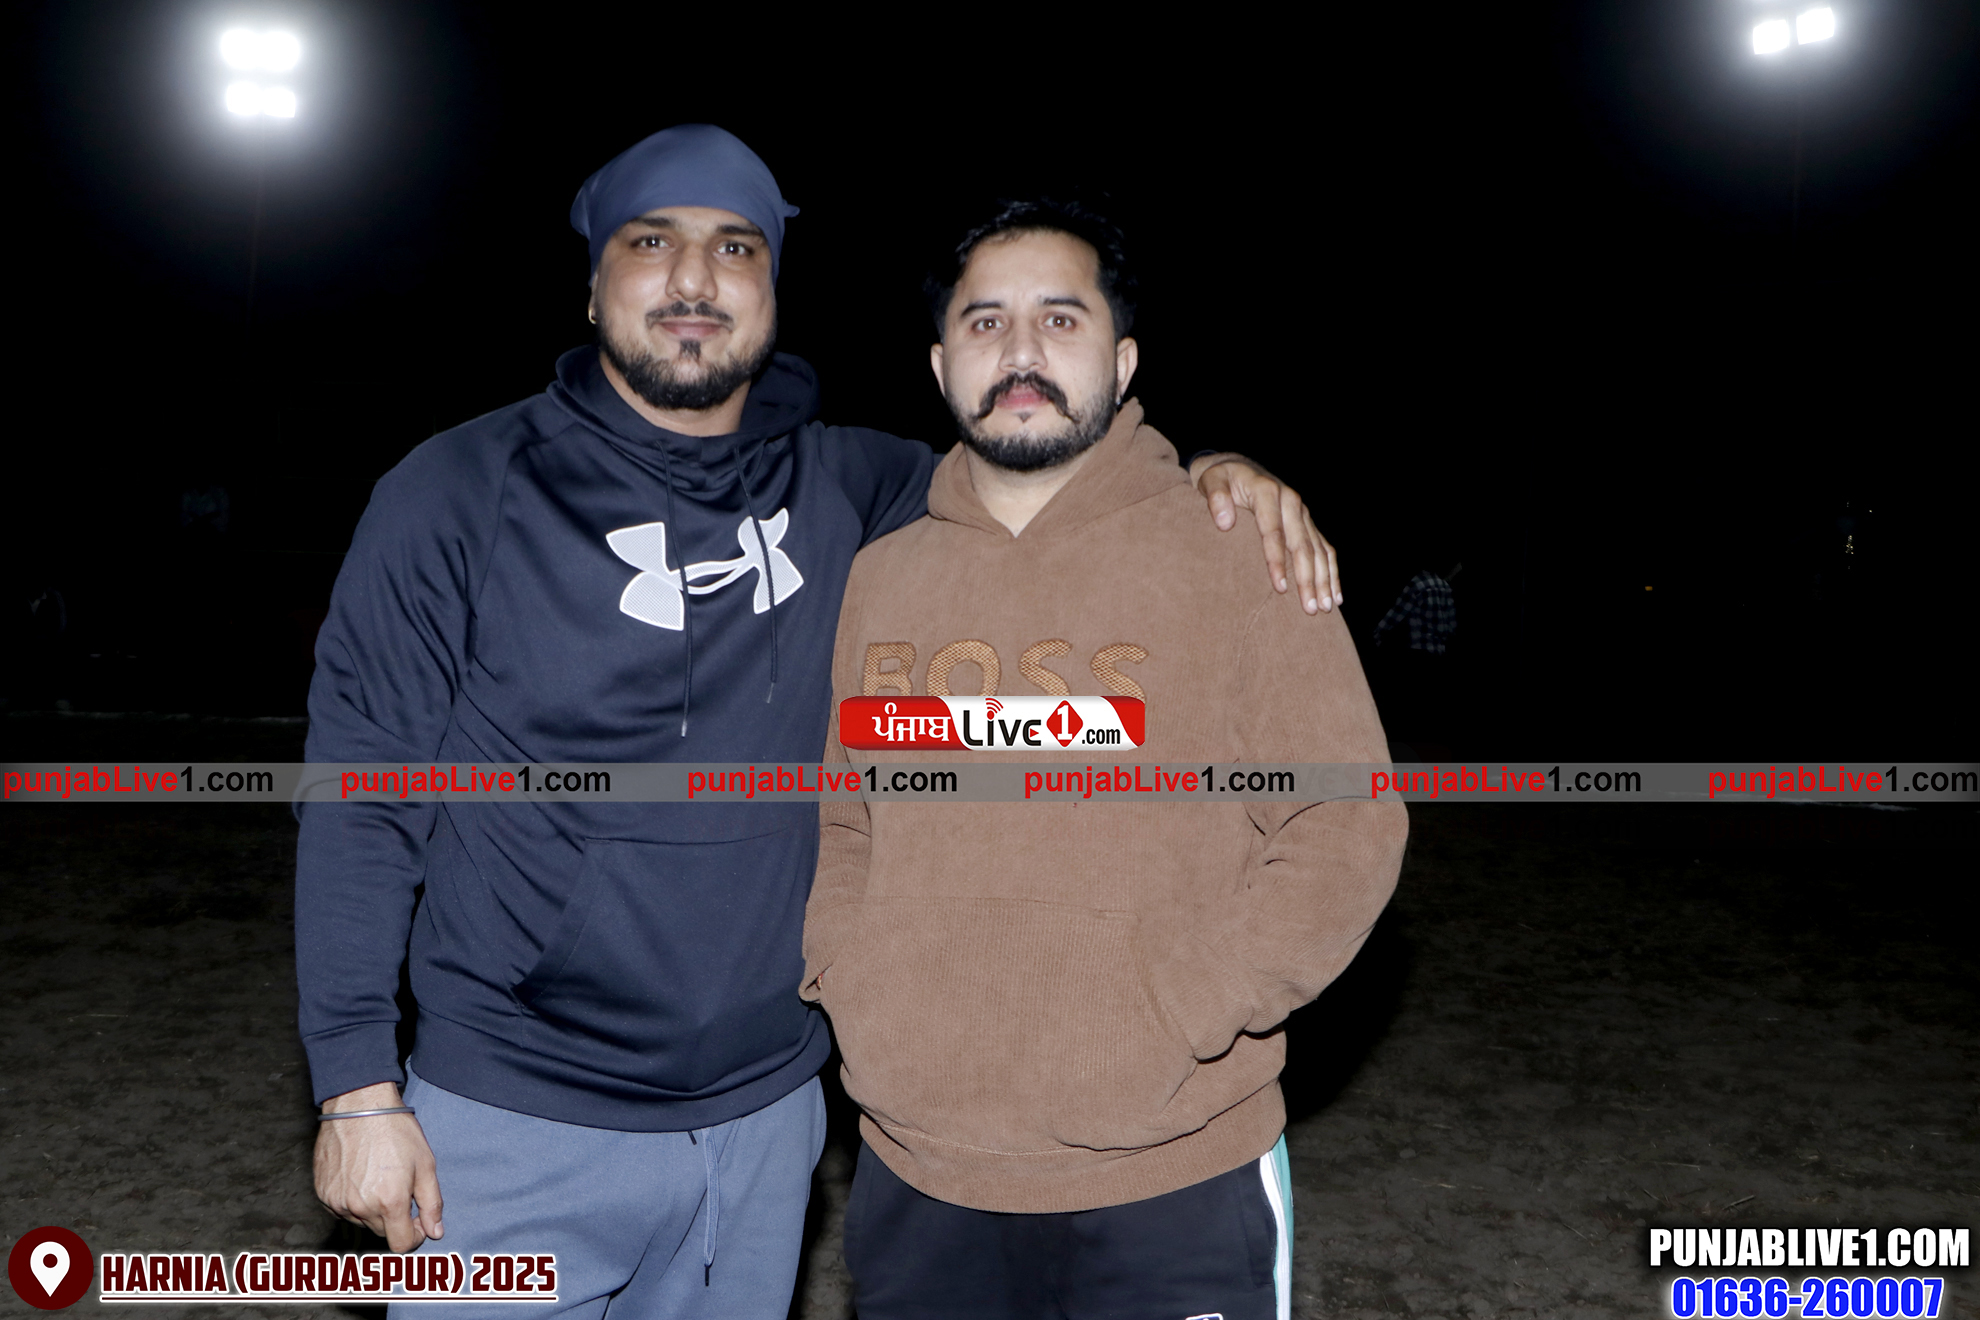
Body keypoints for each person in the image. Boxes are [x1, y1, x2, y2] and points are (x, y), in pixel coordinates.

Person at [296, 126, 1338, 1320]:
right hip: (514, 1116)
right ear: (592, 284)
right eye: (652, 243)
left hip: (767, 1125)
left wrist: (1209, 472)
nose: (695, 279)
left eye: (736, 247)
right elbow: (360, 799)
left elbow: (1040, 462)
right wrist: (354, 1088)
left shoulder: (853, 486)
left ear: (775, 290)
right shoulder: (455, 492)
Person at [801, 200, 1409, 1320]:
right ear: (939, 365)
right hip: (920, 1172)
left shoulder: (1236, 552)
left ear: (1124, 361)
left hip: (1171, 1176)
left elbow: (1346, 823)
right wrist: (854, 977)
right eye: (985, 322)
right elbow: (850, 823)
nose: (1020, 351)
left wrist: (1175, 1008)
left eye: (1060, 318)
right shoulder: (881, 579)